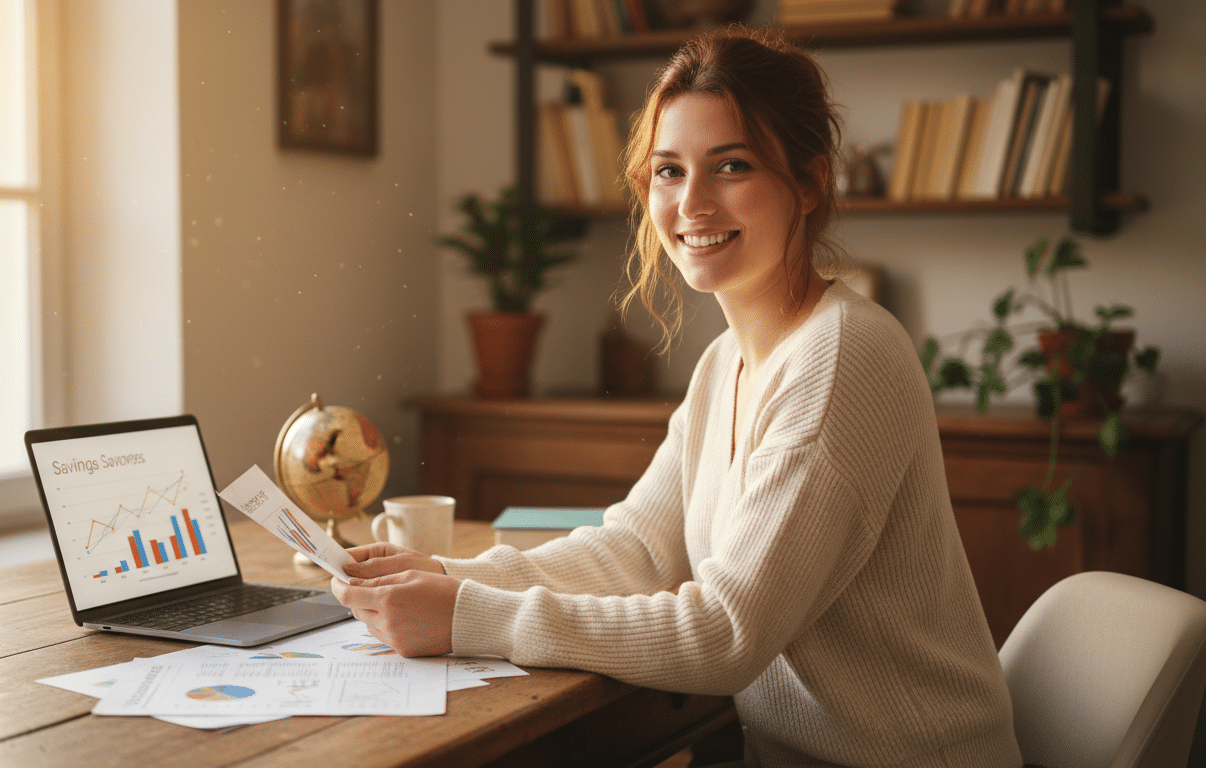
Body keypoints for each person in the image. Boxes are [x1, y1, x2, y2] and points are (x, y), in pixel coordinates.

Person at [332, 26, 1023, 768]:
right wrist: (448, 578)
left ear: (811, 181)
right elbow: (636, 548)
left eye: (731, 165)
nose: (691, 203)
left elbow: (725, 634)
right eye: (668, 171)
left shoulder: (842, 359)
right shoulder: (726, 362)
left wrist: (471, 616)